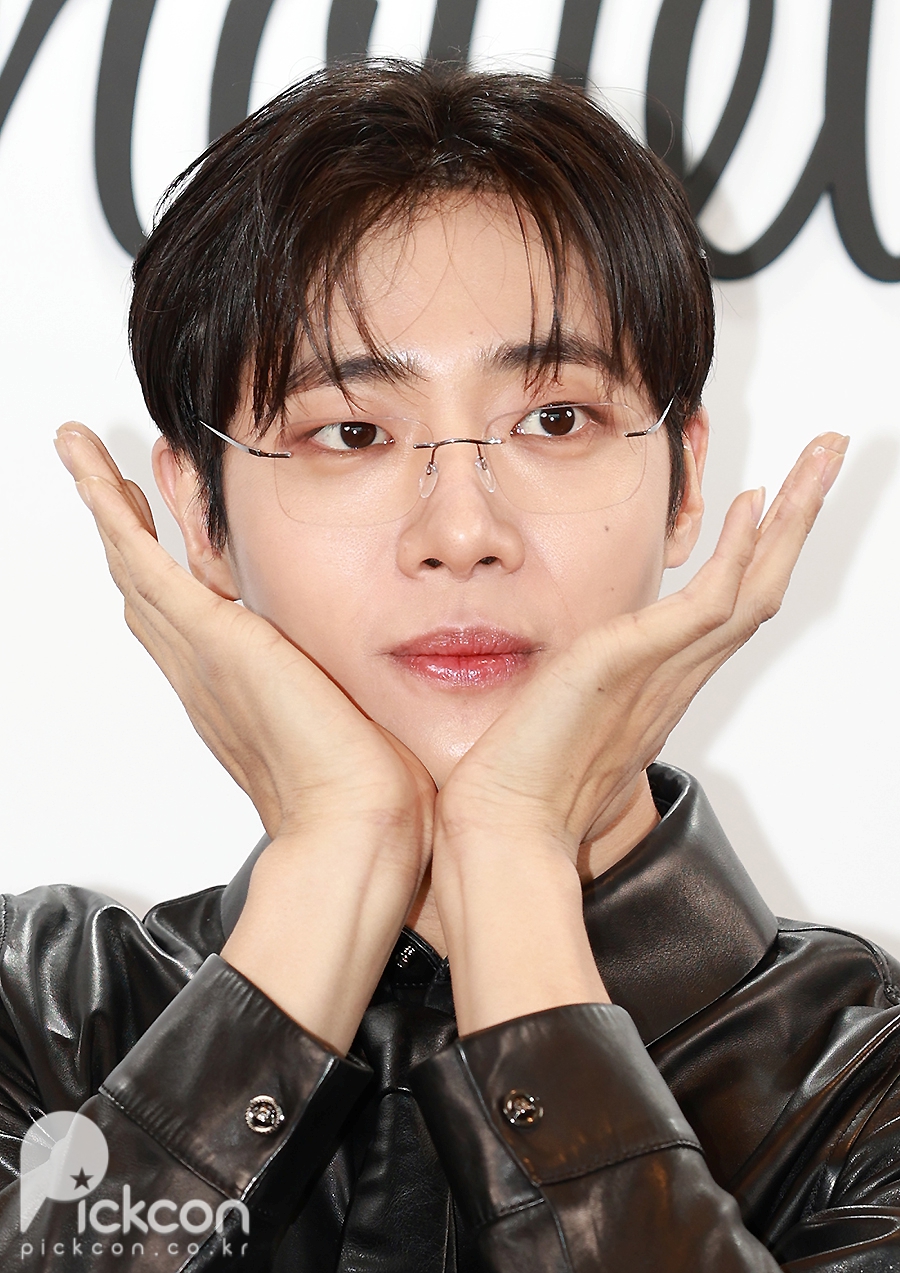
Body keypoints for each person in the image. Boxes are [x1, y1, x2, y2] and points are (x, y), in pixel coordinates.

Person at [0, 60, 895, 1272]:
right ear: (200, 513)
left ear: (685, 479)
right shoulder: (40, 1017)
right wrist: (336, 863)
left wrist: (513, 870)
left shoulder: (869, 1080)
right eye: (351, 432)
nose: (463, 530)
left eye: (555, 420)